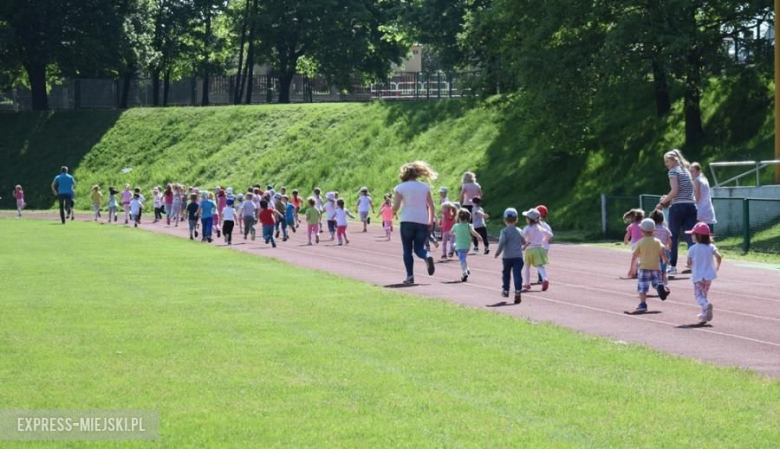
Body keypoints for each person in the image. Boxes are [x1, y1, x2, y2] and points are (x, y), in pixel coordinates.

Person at [392, 161, 437, 285]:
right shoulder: (425, 187)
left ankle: (410, 276)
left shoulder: (400, 188)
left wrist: (392, 212)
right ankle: (426, 256)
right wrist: (431, 221)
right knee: (419, 248)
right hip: (422, 220)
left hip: (407, 220)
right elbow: (432, 206)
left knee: (407, 250)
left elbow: (395, 207)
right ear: (418, 173)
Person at [657, 149, 697, 278]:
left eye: (667, 161)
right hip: (691, 206)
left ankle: (672, 266)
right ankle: (695, 265)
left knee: (672, 237)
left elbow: (674, 191)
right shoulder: (686, 171)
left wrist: (662, 203)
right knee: (691, 237)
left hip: (678, 206)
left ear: (674, 160)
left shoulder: (673, 171)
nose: (666, 164)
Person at [628, 218, 670, 312]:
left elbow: (634, 256)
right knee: (656, 283)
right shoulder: (657, 241)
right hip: (656, 267)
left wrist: (632, 269)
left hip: (643, 268)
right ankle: (660, 286)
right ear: (654, 231)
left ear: (641, 231)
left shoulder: (640, 242)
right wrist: (664, 259)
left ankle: (643, 304)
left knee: (642, 288)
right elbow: (662, 251)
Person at [686, 223, 721, 323]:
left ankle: (706, 306)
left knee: (697, 295)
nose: (691, 236)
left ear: (698, 236)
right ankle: (704, 315)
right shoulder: (711, 247)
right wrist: (717, 266)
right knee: (704, 295)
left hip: (698, 276)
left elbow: (689, 263)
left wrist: (689, 265)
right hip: (709, 276)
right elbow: (719, 256)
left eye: (693, 234)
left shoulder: (692, 249)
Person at [494, 208, 527, 304]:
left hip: (507, 257)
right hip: (518, 256)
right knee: (517, 274)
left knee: (506, 273)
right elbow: (524, 241)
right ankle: (517, 292)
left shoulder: (504, 231)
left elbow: (502, 243)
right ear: (516, 219)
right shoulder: (519, 230)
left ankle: (506, 290)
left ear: (504, 219)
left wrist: (497, 252)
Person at [521, 208, 553, 292]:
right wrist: (544, 240)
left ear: (529, 219)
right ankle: (545, 279)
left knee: (527, 267)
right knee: (540, 266)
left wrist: (524, 244)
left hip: (530, 249)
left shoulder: (527, 228)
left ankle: (527, 283)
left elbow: (522, 235)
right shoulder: (540, 227)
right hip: (539, 249)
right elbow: (550, 234)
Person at [451, 209, 483, 282]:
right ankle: (467, 268)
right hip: (467, 246)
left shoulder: (456, 226)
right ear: (468, 218)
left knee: (462, 258)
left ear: (458, 217)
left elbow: (451, 233)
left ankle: (464, 272)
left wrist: (455, 233)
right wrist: (479, 236)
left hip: (460, 246)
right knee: (462, 256)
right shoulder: (469, 226)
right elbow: (473, 232)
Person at [691, 162, 717, 233]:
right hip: (708, 210)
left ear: (698, 171)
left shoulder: (697, 180)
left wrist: (688, 200)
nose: (691, 173)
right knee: (708, 234)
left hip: (700, 212)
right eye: (690, 171)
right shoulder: (705, 179)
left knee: (699, 235)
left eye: (693, 171)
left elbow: (697, 199)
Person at [650, 209, 672, 291]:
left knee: (654, 269)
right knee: (663, 270)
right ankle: (665, 285)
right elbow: (670, 240)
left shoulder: (652, 230)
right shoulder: (665, 229)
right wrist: (669, 248)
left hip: (653, 251)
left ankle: (657, 284)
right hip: (664, 250)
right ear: (662, 219)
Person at [623, 208, 645, 276]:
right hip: (643, 243)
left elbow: (627, 235)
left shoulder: (631, 226)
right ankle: (640, 270)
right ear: (642, 217)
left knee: (635, 258)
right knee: (642, 258)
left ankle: (634, 271)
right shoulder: (643, 225)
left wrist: (625, 241)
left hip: (634, 244)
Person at [536, 205, 554, 284]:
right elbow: (551, 239)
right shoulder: (547, 226)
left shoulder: (536, 225)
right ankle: (541, 276)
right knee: (540, 263)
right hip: (545, 248)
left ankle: (541, 278)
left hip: (538, 247)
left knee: (535, 262)